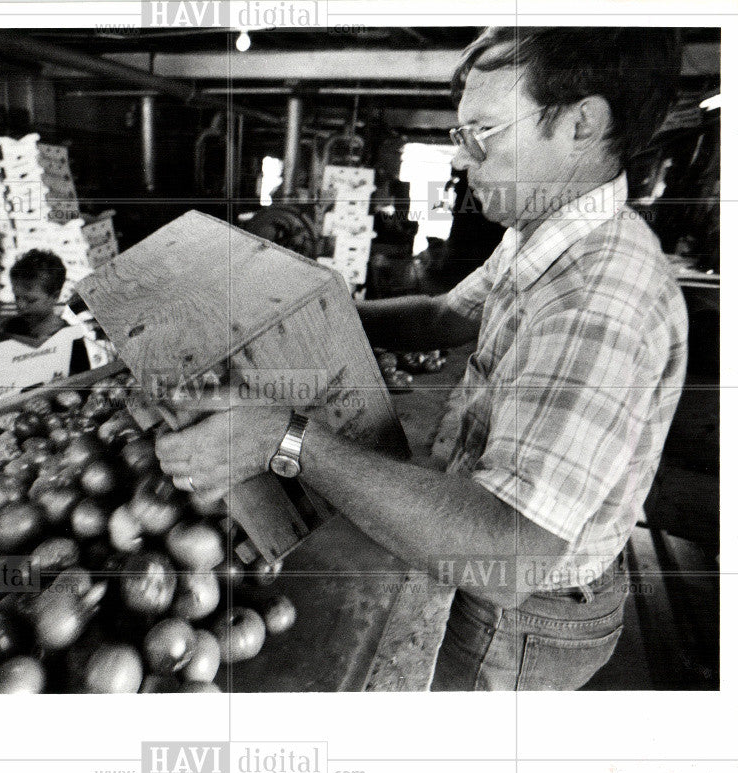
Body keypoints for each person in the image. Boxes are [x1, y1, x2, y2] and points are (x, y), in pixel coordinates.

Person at [154, 27, 688, 691]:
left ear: (582, 123)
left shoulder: (596, 301)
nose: (462, 160)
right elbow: (445, 316)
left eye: (483, 131)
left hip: (522, 615)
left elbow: (508, 551)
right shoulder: (548, 229)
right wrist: (307, 314)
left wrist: (283, 438)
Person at [1, 249, 90, 375]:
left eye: (30, 300)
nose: (20, 305)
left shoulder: (72, 341)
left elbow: (82, 387)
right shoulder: (10, 329)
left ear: (55, 296)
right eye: (17, 297)